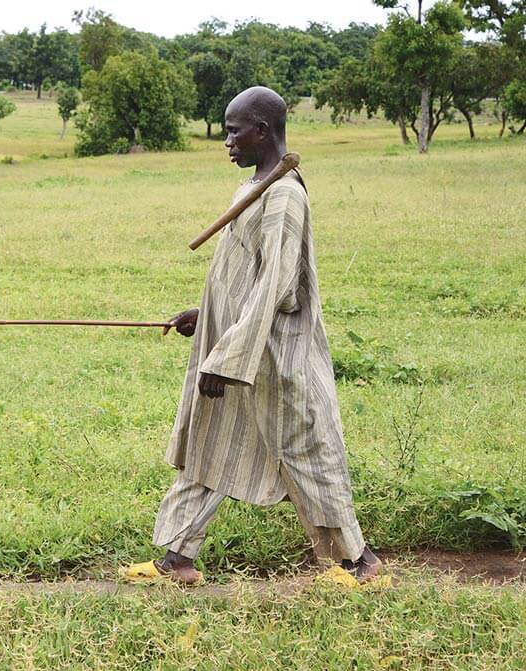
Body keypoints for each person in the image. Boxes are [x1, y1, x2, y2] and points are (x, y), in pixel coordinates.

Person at [124, 86, 381, 585]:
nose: (227, 142)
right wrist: (208, 313)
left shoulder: (284, 195)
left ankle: (360, 563)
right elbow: (244, 273)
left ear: (262, 131)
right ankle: (178, 560)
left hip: (274, 356)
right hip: (238, 348)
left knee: (307, 452)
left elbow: (277, 286)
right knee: (210, 445)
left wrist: (226, 357)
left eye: (234, 131)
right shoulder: (256, 187)